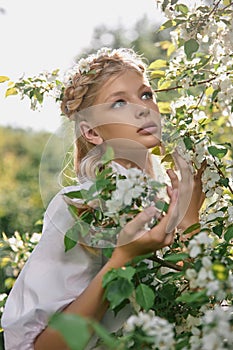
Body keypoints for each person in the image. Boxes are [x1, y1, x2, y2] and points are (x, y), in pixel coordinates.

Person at [1, 48, 204, 350]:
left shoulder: (171, 198)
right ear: (92, 131)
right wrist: (122, 259)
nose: (143, 108)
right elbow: (42, 346)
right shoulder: (78, 207)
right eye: (119, 102)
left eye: (146, 95)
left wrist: (189, 221)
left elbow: (202, 303)